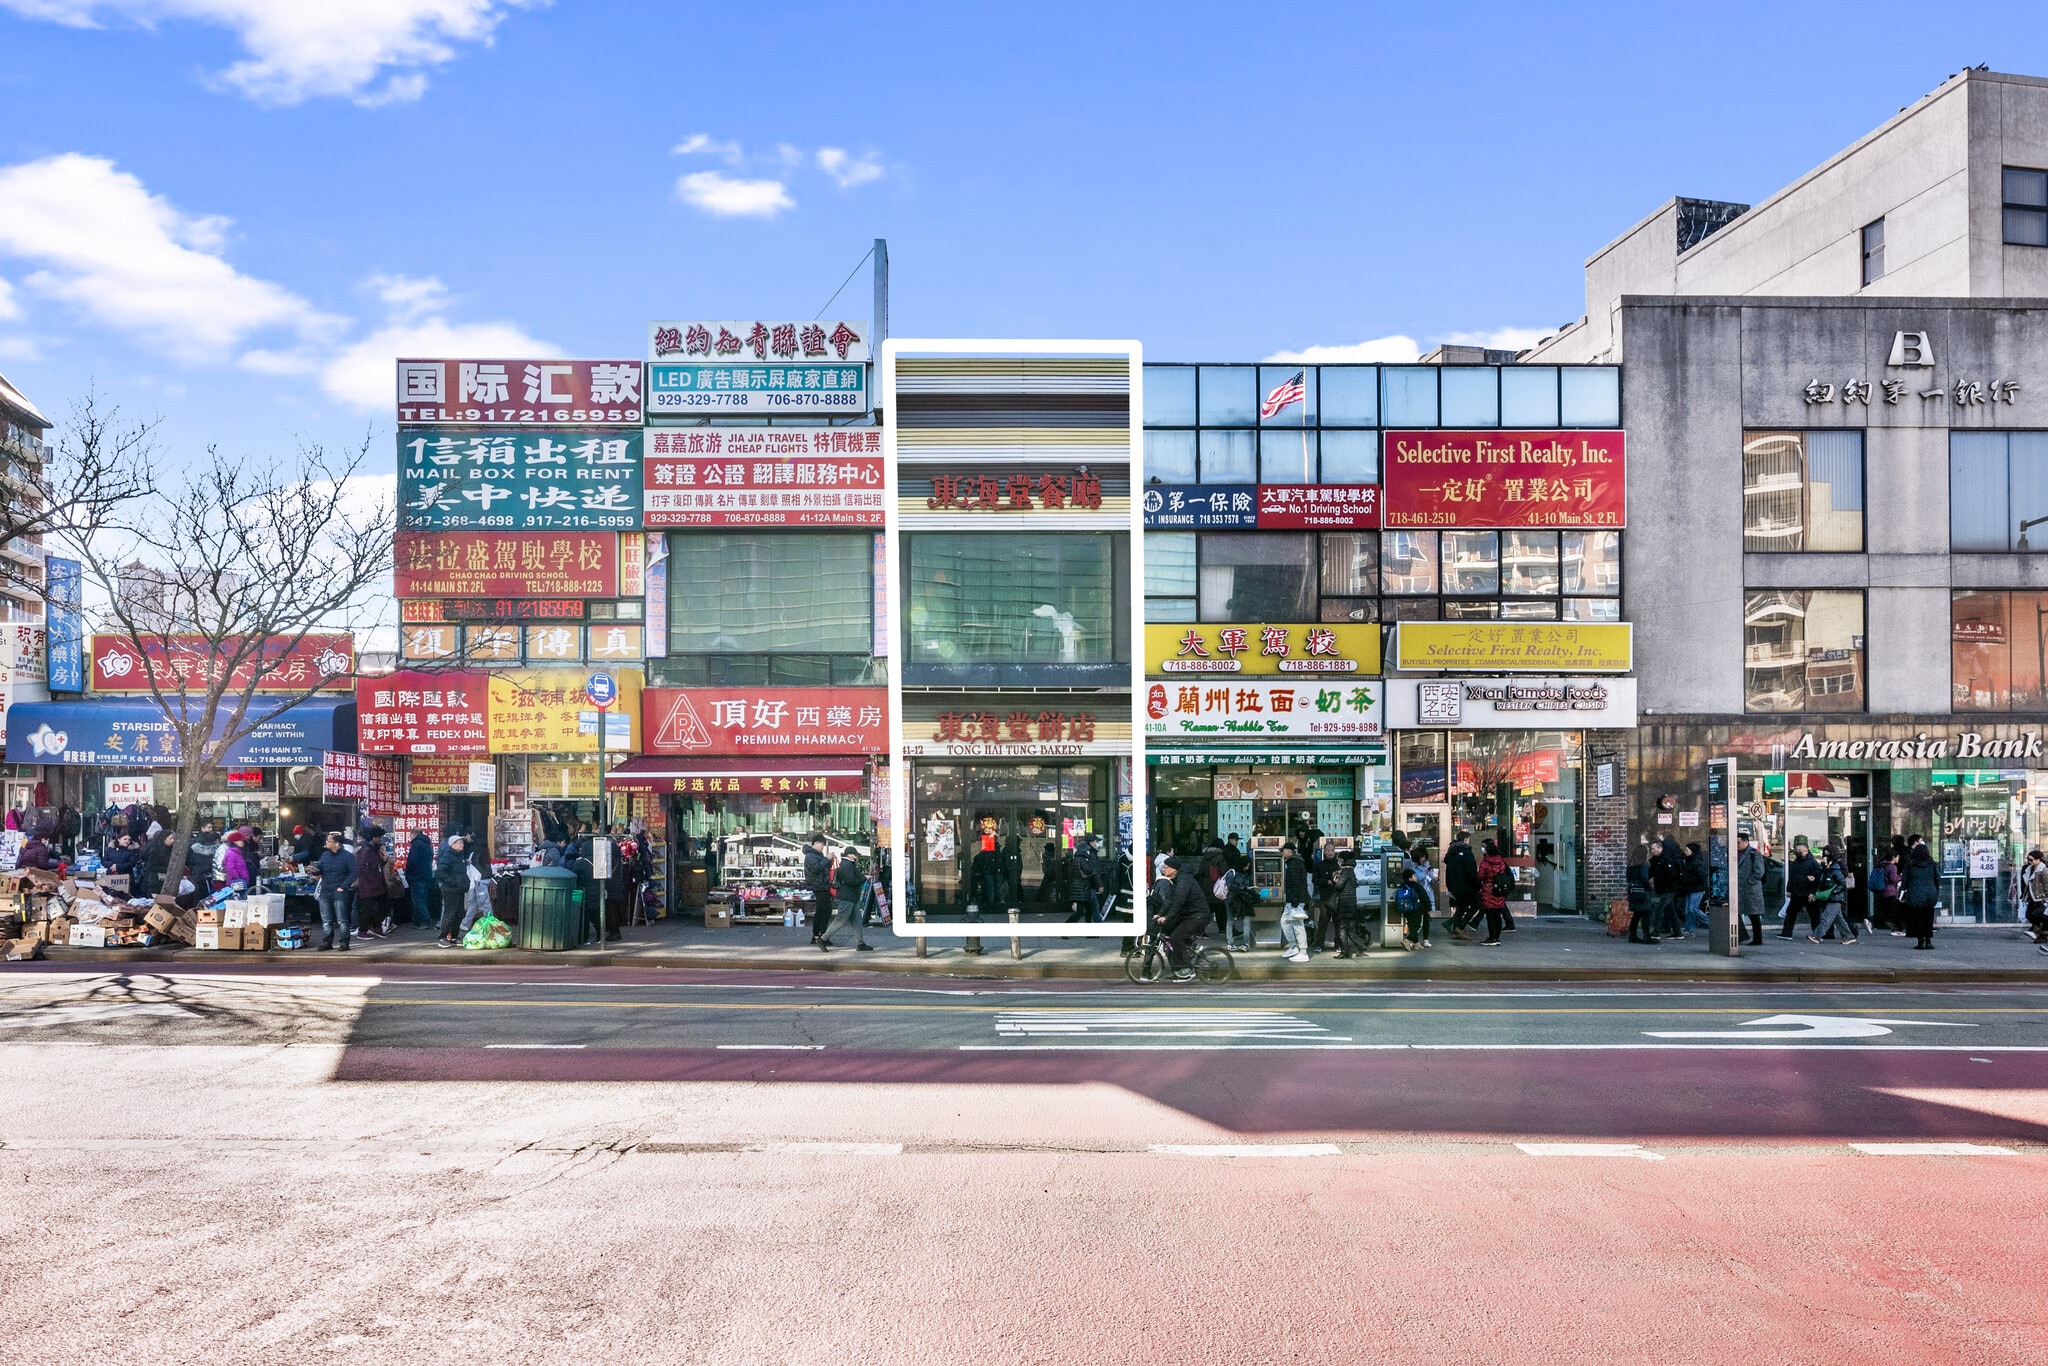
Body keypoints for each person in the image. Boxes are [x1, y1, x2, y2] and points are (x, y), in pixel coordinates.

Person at [818, 850, 874, 951]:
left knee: (856, 920)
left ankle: (860, 943)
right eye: (855, 854)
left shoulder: (847, 864)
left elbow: (850, 879)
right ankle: (823, 939)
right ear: (849, 855)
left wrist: (863, 877)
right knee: (841, 919)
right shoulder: (847, 865)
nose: (856, 856)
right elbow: (851, 881)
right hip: (847, 897)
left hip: (850, 896)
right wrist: (864, 878)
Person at [313, 831, 357, 951]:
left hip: (339, 891)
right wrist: (314, 871)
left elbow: (354, 872)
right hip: (325, 890)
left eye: (329, 841)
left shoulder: (347, 856)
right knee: (326, 920)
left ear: (337, 843)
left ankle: (344, 942)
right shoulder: (325, 855)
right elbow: (320, 869)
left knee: (342, 919)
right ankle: (327, 942)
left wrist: (343, 886)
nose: (326, 843)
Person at [1808, 846, 1857, 945]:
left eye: (1827, 855)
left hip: (1835, 898)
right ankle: (1848, 936)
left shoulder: (1835, 869)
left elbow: (1842, 883)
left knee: (1826, 917)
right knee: (1838, 919)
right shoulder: (1827, 869)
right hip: (1832, 897)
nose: (1824, 857)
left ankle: (1816, 936)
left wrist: (1834, 892)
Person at [1900, 834, 1939, 950]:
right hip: (1930, 893)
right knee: (1928, 917)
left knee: (1917, 918)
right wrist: (1935, 890)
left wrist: (1902, 893)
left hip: (1915, 893)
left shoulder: (1910, 864)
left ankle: (1921, 941)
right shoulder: (1932, 864)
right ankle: (1929, 941)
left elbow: (1905, 881)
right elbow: (1937, 879)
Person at [434, 834, 472, 948]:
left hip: (459, 889)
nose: (462, 845)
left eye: (462, 842)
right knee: (450, 913)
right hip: (450, 889)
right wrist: (453, 882)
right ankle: (442, 937)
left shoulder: (460, 856)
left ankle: (454, 937)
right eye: (459, 843)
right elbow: (440, 872)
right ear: (453, 844)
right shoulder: (448, 856)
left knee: (459, 914)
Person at [1779, 839, 1822, 940]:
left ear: (1806, 851)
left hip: (1808, 893)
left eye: (1800, 850)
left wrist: (1813, 892)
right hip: (1796, 893)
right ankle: (1786, 933)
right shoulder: (1795, 863)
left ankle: (1818, 934)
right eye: (1797, 850)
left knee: (1814, 915)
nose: (1798, 852)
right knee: (1790, 913)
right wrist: (1789, 890)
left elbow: (1817, 879)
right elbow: (1791, 878)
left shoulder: (1813, 863)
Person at [1443, 830, 1480, 941]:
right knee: (1476, 904)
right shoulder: (1467, 852)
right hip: (1466, 886)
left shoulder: (1451, 852)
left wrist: (1449, 885)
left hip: (1454, 885)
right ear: (1465, 839)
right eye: (1468, 839)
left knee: (1461, 907)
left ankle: (1456, 930)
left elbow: (1448, 870)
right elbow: (1471, 871)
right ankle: (1460, 927)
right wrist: (1477, 884)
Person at [1279, 840, 1312, 963]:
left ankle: (1303, 952)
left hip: (1296, 901)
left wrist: (1294, 902)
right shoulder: (1294, 862)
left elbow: (1296, 884)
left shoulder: (1294, 864)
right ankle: (1293, 946)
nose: (1282, 853)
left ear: (1289, 851)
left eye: (1283, 851)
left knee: (1298, 925)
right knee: (1285, 922)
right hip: (1293, 900)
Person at [355, 833, 391, 940]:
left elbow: (376, 866)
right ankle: (363, 930)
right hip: (369, 885)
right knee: (368, 908)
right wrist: (373, 878)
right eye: (379, 837)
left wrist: (383, 861)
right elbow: (364, 868)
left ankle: (376, 927)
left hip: (375, 884)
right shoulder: (366, 851)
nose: (380, 839)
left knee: (377, 907)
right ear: (373, 838)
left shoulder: (374, 850)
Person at [1475, 839, 1509, 946]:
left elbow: (1480, 876)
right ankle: (1497, 937)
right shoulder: (1501, 861)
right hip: (1499, 890)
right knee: (1498, 915)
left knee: (1490, 915)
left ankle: (1492, 937)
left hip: (1488, 890)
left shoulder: (1485, 863)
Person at [1735, 832, 1767, 946]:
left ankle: (1758, 938)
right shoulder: (1735, 853)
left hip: (1750, 889)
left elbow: (1759, 871)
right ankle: (1742, 935)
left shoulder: (1754, 853)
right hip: (1738, 888)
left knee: (1753, 914)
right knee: (1735, 912)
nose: (1737, 845)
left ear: (1746, 842)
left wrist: (1750, 881)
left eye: (1739, 842)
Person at [1398, 847, 1433, 951]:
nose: (1416, 877)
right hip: (1418, 909)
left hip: (1407, 909)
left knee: (1412, 925)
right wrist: (1428, 908)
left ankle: (1417, 943)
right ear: (1411, 878)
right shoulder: (1417, 886)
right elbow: (1424, 897)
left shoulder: (1404, 886)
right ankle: (1407, 940)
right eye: (1414, 876)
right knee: (1417, 926)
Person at [802, 834, 834, 942]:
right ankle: (820, 935)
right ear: (816, 843)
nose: (822, 847)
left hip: (822, 885)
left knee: (822, 910)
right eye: (822, 845)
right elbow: (816, 868)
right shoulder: (810, 855)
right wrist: (826, 859)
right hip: (819, 886)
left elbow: (822, 868)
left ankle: (818, 935)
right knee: (824, 910)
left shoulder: (816, 854)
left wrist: (828, 861)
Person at [1626, 841, 1658, 944]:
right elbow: (1644, 878)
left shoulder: (1631, 864)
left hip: (1633, 890)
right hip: (1642, 891)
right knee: (1645, 914)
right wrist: (1649, 888)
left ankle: (1632, 935)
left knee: (1637, 914)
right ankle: (1646, 936)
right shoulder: (1644, 864)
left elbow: (1628, 878)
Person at [1871, 844, 1904, 935]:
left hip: (1881, 889)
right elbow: (1893, 879)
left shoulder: (1881, 865)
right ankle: (1897, 929)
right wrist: (1901, 877)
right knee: (1893, 911)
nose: (1898, 858)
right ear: (1893, 857)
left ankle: (1871, 920)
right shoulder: (1892, 867)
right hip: (1890, 891)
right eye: (1897, 857)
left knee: (1885, 910)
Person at [1680, 841, 1710, 933]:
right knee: (1689, 909)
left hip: (1697, 888)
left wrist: (1688, 880)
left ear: (1692, 851)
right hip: (1692, 888)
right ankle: (1689, 928)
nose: (1685, 852)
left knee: (1692, 908)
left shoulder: (1696, 862)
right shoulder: (1689, 860)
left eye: (1687, 850)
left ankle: (1709, 922)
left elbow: (1701, 875)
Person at [2021, 849, 2048, 945]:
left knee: (2037, 914)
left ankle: (2041, 932)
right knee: (2029, 915)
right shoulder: (2029, 869)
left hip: (2041, 897)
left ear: (2038, 859)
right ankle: (2041, 933)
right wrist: (2024, 896)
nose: (2029, 862)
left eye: (2031, 860)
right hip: (2032, 897)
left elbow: (2047, 884)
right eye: (2028, 859)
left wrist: (2046, 898)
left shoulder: (2043, 870)